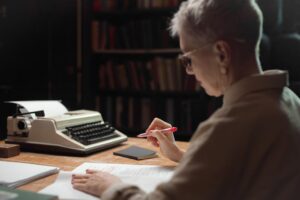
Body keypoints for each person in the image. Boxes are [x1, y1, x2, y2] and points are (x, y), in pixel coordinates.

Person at [71, 0, 300, 199]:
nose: (189, 72)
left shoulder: (229, 126)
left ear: (221, 54)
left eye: (189, 59)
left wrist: (112, 187)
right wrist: (182, 156)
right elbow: (246, 169)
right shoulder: (289, 101)